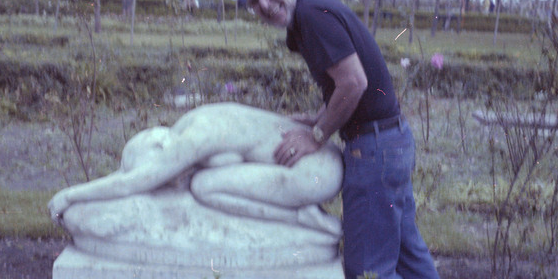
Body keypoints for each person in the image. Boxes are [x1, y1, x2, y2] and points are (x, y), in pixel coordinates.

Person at [242, 0, 463, 279]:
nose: (264, 2)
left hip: (374, 151)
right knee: (408, 256)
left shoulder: (311, 15)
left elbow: (354, 82)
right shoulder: (310, 14)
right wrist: (313, 119)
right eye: (253, 0)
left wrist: (316, 134)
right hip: (388, 141)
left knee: (367, 273)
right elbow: (352, 90)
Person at [48, 102, 343, 237]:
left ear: (160, 148)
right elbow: (130, 178)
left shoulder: (191, 141)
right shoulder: (189, 123)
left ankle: (299, 217)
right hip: (323, 159)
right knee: (203, 180)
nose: (165, 178)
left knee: (203, 186)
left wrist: (70, 195)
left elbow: (132, 183)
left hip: (313, 174)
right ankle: (299, 212)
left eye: (159, 168)